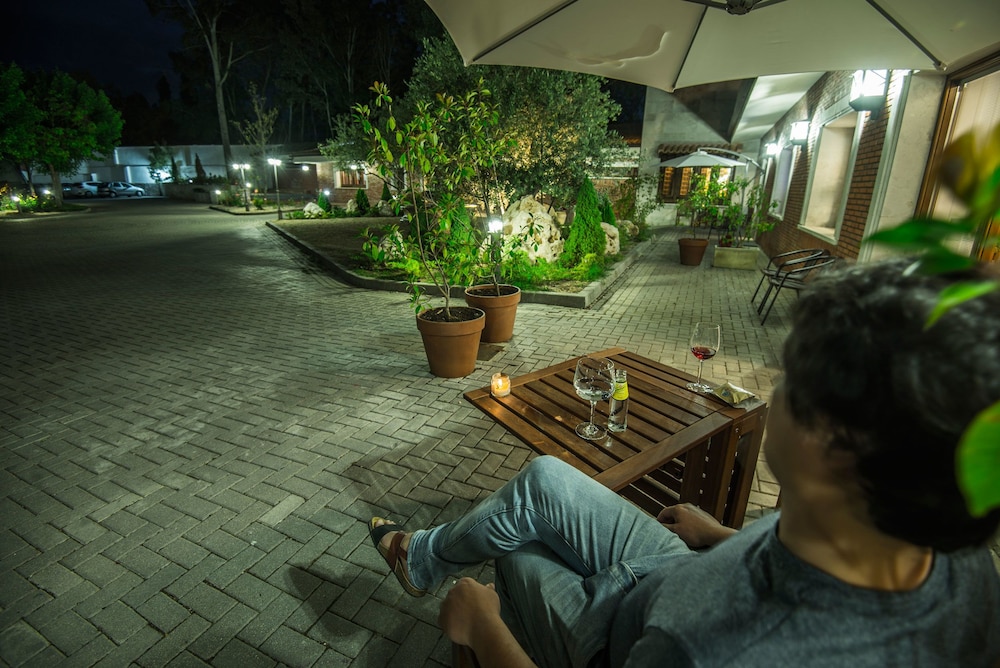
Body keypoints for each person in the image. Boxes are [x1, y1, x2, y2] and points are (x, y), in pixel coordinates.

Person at [368, 258, 1000, 667]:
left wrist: (484, 630)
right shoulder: (959, 557)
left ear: (831, 445)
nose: (776, 389)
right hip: (684, 567)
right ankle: (422, 557)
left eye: (793, 377)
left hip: (618, 633)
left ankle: (428, 563)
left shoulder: (703, 647)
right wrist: (722, 534)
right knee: (541, 481)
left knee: (509, 548)